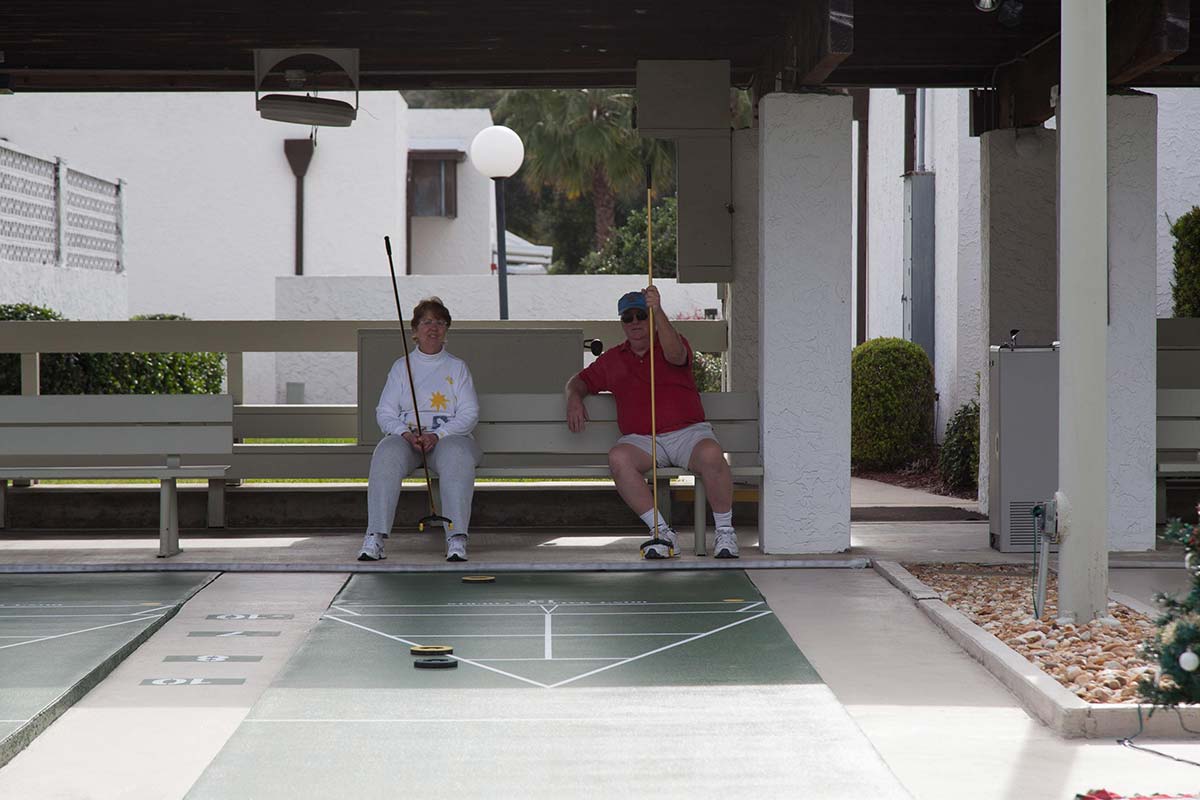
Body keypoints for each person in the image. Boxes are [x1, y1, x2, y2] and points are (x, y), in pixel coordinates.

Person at [565, 286, 738, 560]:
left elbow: (676, 355)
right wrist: (574, 397)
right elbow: (580, 381)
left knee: (712, 454)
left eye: (640, 315)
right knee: (618, 458)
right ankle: (662, 534)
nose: (634, 322)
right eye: (627, 317)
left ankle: (725, 533)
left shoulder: (670, 341)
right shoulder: (613, 359)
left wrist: (658, 310)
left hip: (687, 433)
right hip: (643, 439)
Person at [358, 297, 481, 563]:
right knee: (385, 454)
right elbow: (385, 412)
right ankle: (375, 536)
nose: (433, 327)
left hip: (448, 439)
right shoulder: (401, 367)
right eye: (426, 322)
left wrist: (438, 435)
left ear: (446, 329)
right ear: (415, 330)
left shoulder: (457, 368)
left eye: (439, 322)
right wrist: (405, 433)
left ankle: (456, 538)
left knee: (458, 458)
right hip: (408, 440)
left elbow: (469, 413)